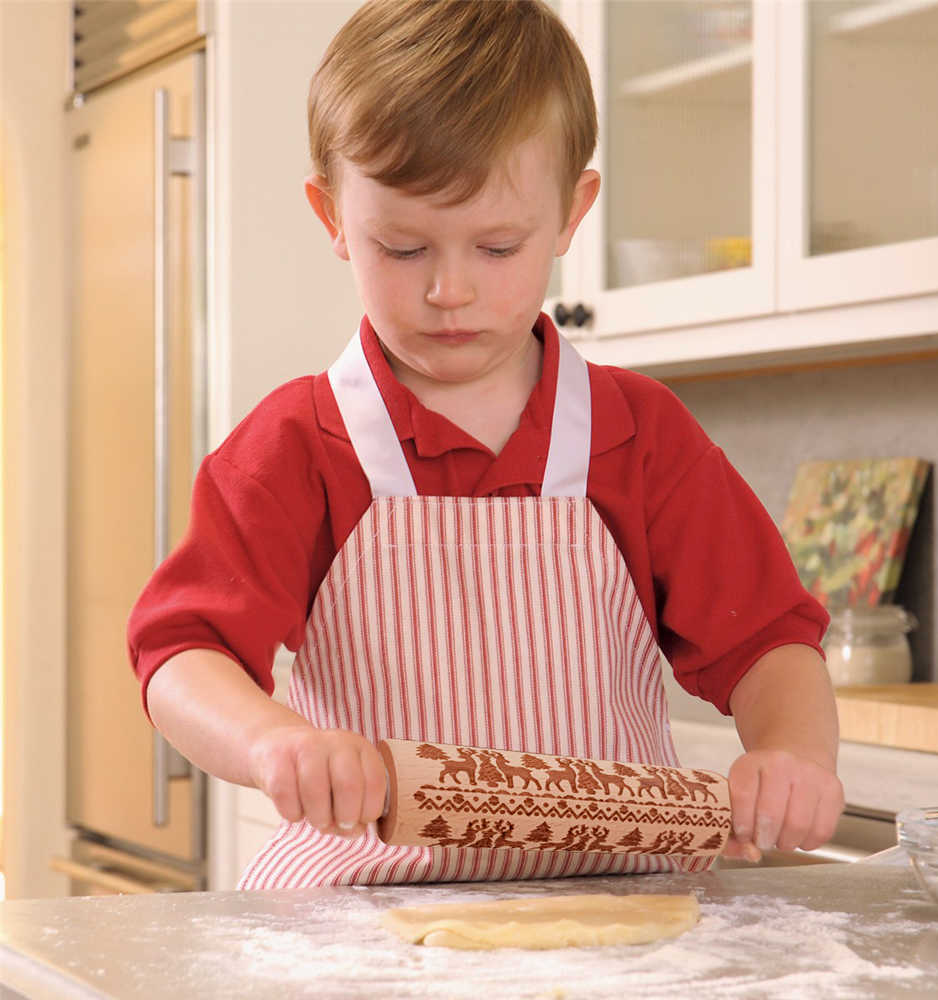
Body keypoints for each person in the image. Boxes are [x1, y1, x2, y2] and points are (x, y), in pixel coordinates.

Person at [128, 0, 844, 889]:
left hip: (621, 920)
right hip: (363, 918)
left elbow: (769, 639)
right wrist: (276, 742)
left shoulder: (638, 434)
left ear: (572, 213)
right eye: (403, 247)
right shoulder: (301, 444)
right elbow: (181, 655)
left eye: (498, 247)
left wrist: (791, 752)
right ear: (333, 218)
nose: (450, 291)